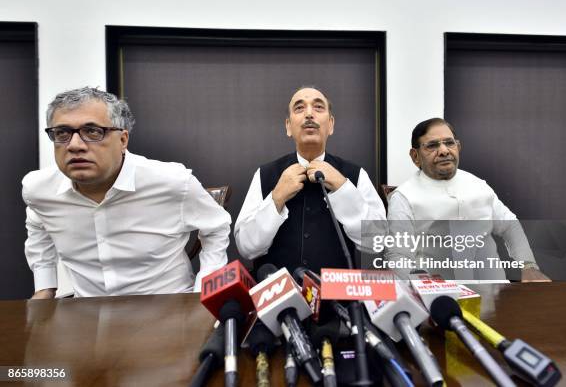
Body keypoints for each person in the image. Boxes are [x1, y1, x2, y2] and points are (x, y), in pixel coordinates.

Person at [23, 87, 231, 298]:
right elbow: (37, 225)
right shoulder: (38, 189)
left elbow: (216, 227)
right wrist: (44, 288)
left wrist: (203, 291)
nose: (75, 145)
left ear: (122, 140)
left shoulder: (173, 181)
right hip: (87, 314)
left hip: (169, 310)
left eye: (93, 131)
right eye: (62, 133)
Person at [234, 86, 386, 273]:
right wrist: (277, 197)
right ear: (289, 126)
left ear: (330, 125)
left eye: (318, 107)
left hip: (340, 297)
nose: (308, 114)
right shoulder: (265, 174)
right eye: (299, 108)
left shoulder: (355, 174)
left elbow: (377, 241)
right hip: (278, 295)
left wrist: (342, 187)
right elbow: (246, 248)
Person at [386, 118, 550, 282]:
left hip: (495, 294)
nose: (444, 151)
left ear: (458, 147)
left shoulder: (478, 185)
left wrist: (529, 267)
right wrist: (427, 290)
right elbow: (398, 256)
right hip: (442, 297)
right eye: (432, 145)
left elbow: (509, 225)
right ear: (415, 156)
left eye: (449, 143)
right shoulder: (404, 197)